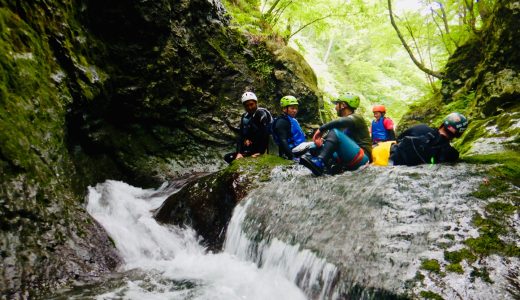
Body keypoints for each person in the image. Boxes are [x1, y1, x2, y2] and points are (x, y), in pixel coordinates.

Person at [299, 92, 372, 176]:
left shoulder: (357, 118)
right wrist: (321, 142)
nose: (335, 107)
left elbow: (341, 122)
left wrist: (321, 129)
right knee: (317, 146)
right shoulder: (342, 125)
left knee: (334, 131)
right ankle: (326, 168)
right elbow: (328, 141)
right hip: (350, 158)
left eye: (337, 104)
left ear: (343, 105)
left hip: (362, 157)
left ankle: (319, 162)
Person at [372, 112, 469, 166]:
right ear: (458, 135)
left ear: (442, 124)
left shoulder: (420, 128)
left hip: (386, 158)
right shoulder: (452, 154)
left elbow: (399, 139)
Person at [224, 92, 273, 164]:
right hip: (251, 148)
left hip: (266, 147)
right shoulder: (245, 116)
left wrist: (261, 152)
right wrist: (239, 153)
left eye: (251, 104)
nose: (250, 107)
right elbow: (241, 135)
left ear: (256, 103)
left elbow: (265, 133)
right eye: (247, 106)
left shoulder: (262, 113)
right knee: (228, 157)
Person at [272, 95, 307, 160]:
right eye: (292, 108)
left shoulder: (292, 120)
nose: (295, 110)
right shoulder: (281, 122)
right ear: (284, 109)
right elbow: (282, 140)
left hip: (299, 147)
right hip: (293, 150)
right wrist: (292, 157)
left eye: (296, 108)